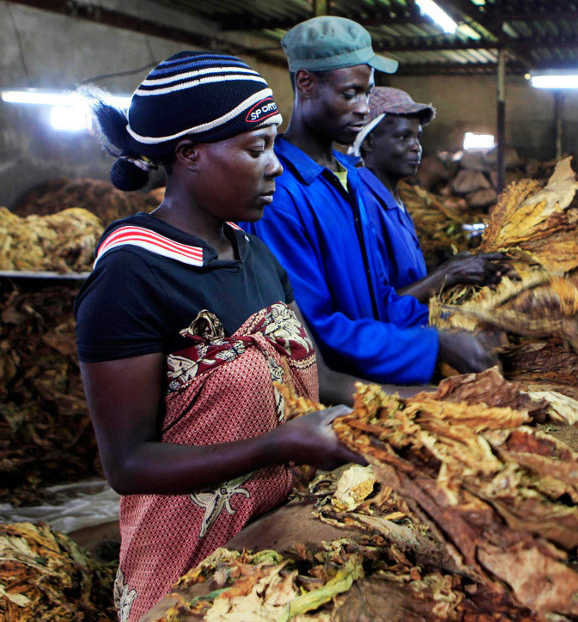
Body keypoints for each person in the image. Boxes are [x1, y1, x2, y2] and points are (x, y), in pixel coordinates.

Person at [75, 51, 367, 621]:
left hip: (275, 551)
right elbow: (128, 464)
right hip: (188, 576)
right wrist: (279, 444)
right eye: (256, 149)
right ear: (189, 155)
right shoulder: (132, 274)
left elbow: (316, 376)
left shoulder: (256, 255)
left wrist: (415, 409)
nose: (276, 166)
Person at [241, 16, 496, 384]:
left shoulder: (350, 179)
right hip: (340, 396)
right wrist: (432, 345)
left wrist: (451, 324)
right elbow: (313, 332)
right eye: (350, 94)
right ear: (306, 83)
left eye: (367, 92)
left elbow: (381, 302)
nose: (363, 107)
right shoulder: (280, 194)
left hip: (379, 374)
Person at [348, 86, 506, 303]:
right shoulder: (362, 204)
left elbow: (405, 280)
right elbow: (374, 308)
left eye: (417, 137)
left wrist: (456, 266)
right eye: (403, 137)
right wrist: (448, 273)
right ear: (368, 142)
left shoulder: (392, 201)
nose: (416, 147)